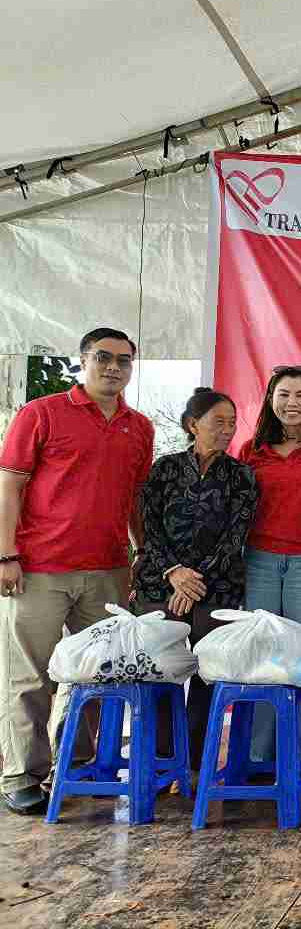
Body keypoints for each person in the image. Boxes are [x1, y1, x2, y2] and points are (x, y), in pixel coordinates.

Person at [0, 328, 154, 815]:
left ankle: (79, 764)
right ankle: (21, 773)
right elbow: (9, 487)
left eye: (123, 361)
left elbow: (135, 499)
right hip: (39, 569)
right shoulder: (41, 413)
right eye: (103, 358)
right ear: (82, 361)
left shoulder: (139, 427)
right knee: (29, 678)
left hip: (108, 570)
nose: (113, 367)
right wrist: (6, 555)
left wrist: (143, 550)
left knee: (95, 678)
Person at [135, 388, 258, 772]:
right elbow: (148, 527)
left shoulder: (241, 475)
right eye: (217, 422)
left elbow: (235, 536)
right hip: (162, 584)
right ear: (193, 425)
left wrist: (195, 581)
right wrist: (175, 573)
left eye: (232, 423)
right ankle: (161, 761)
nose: (227, 430)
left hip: (215, 586)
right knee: (158, 671)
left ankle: (195, 763)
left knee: (208, 672)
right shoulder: (165, 469)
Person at [238, 365, 301, 766]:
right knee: (262, 656)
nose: (292, 403)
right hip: (259, 562)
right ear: (270, 400)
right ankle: (258, 755)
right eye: (284, 394)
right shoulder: (251, 450)